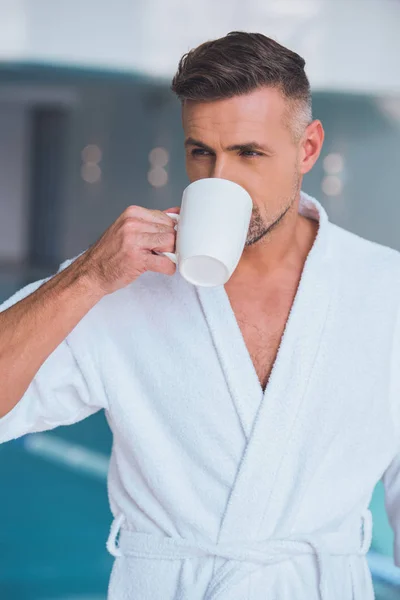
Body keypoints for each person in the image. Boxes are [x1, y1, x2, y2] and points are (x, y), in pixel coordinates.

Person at [0, 31, 399, 600]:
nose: (219, 179)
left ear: (308, 148)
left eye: (249, 153)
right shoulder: (120, 285)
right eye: (201, 152)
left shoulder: (386, 289)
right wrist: (87, 278)